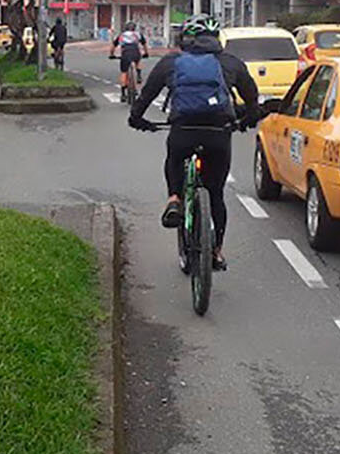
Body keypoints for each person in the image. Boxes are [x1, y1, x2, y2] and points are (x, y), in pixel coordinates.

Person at [127, 14, 259, 271]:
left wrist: (137, 119)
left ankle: (174, 198)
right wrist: (246, 121)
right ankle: (216, 251)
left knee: (175, 158)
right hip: (218, 133)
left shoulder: (171, 63)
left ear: (185, 40)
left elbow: (146, 96)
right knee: (216, 193)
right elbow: (252, 101)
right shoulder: (231, 63)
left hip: (183, 130)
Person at [111, 21, 148, 93]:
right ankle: (139, 75)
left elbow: (113, 46)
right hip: (135, 51)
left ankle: (123, 94)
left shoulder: (121, 35)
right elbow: (144, 45)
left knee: (124, 72)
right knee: (138, 59)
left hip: (125, 53)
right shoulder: (138, 34)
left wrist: (111, 54)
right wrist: (146, 53)